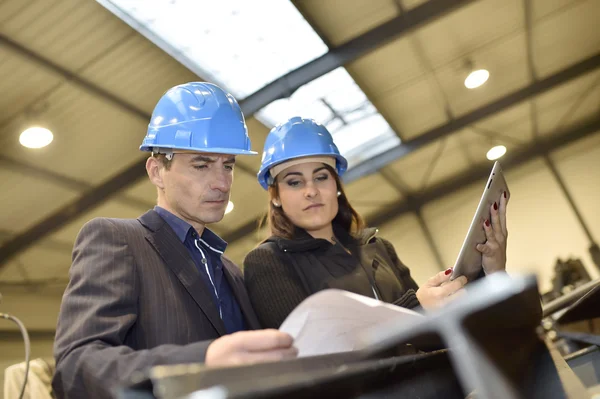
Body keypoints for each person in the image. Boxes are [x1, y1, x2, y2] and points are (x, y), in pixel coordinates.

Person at [52, 83, 297, 399]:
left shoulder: (230, 269)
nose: (222, 183)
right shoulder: (118, 239)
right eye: (201, 164)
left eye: (228, 165)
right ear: (156, 171)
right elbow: (76, 365)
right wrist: (202, 362)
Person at [243, 116, 509, 329]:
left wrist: (489, 269)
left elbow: (430, 330)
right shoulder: (268, 262)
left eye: (321, 176)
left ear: (336, 184)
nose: (311, 190)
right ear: (275, 195)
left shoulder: (377, 247)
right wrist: (415, 308)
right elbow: (308, 354)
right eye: (294, 182)